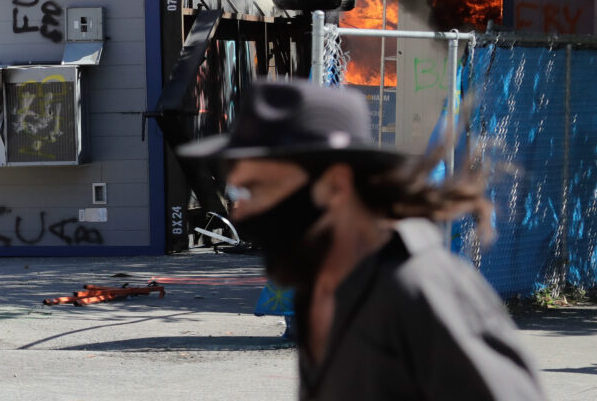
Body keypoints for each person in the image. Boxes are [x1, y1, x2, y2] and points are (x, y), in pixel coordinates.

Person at [179, 79, 544, 401]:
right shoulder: (319, 286)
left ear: (335, 185)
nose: (241, 212)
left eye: (257, 188)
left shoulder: (422, 288)